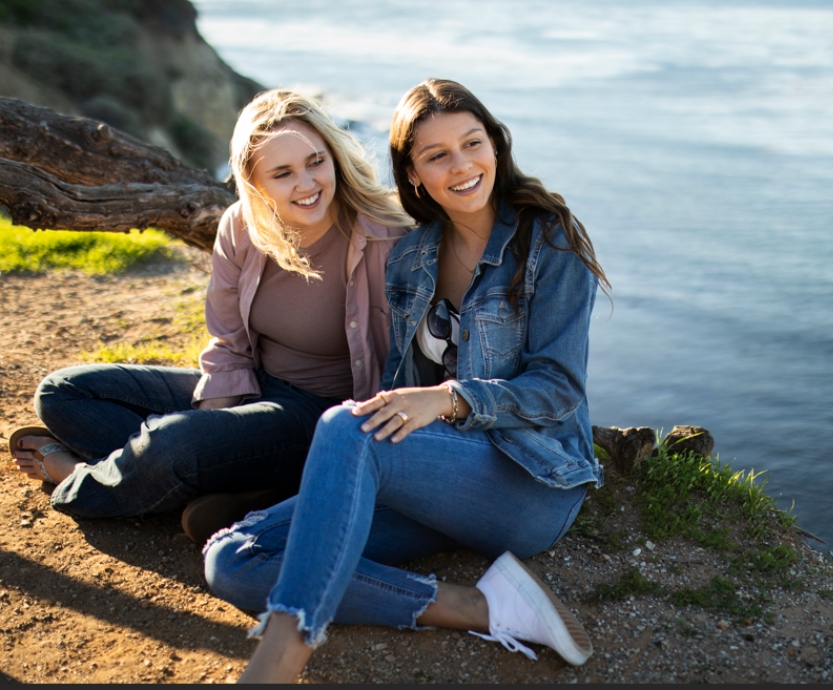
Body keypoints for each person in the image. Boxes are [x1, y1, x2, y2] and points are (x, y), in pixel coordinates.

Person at [203, 78, 611, 682]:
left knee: (349, 426)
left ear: (496, 146)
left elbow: (556, 387)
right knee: (234, 559)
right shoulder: (411, 254)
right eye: (437, 155)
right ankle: (483, 605)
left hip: (528, 481)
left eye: (472, 144)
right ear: (414, 174)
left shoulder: (546, 241)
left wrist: (449, 398)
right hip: (433, 479)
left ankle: (282, 654)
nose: (462, 166)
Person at [8, 89, 411, 542]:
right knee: (64, 393)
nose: (307, 183)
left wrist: (195, 436)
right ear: (255, 183)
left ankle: (76, 477)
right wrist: (215, 422)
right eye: (283, 173)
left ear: (334, 157)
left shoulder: (386, 234)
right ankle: (240, 484)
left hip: (325, 417)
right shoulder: (241, 226)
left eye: (316, 162)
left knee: (175, 443)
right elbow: (228, 344)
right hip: (254, 387)